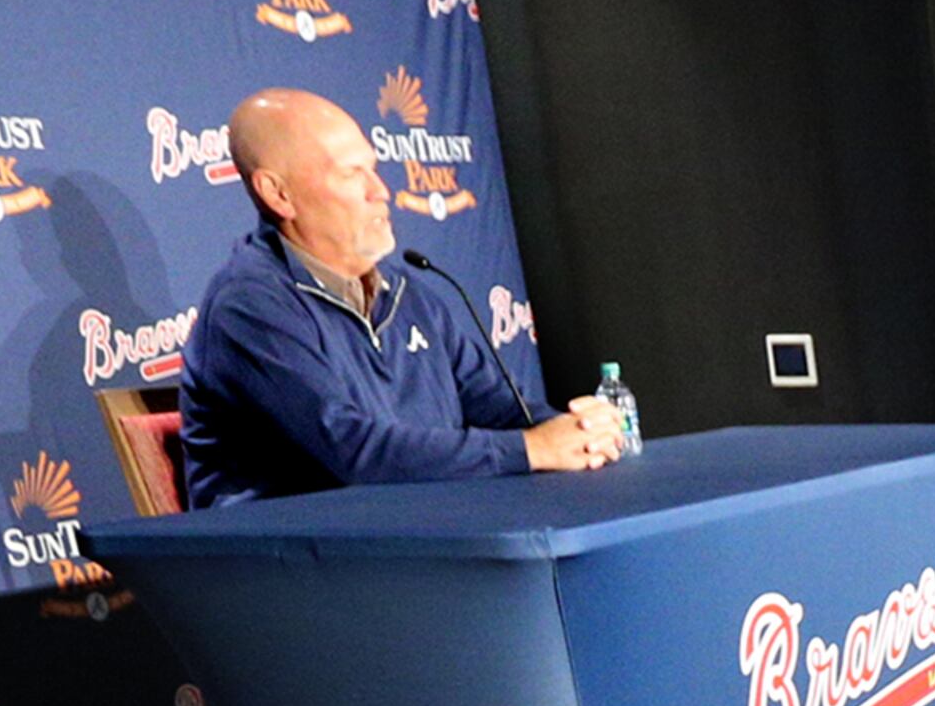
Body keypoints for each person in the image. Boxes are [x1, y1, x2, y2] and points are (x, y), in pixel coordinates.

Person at [178, 89, 619, 508]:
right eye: (352, 174)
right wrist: (532, 449)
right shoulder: (249, 306)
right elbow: (352, 450)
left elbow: (500, 410)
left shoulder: (411, 295)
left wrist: (574, 431)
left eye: (374, 168)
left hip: (416, 539)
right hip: (293, 566)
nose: (381, 191)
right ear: (279, 194)